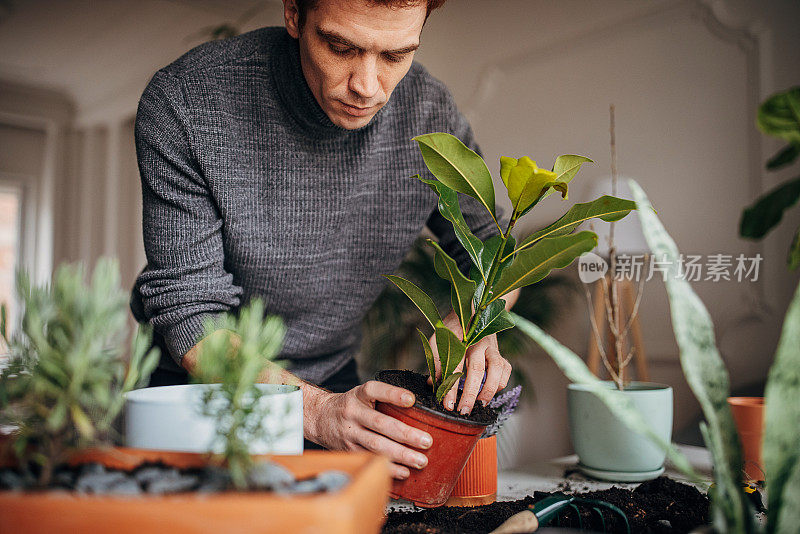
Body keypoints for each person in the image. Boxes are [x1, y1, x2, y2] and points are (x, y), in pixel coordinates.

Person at [130, 0, 519, 480]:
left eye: (395, 56)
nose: (366, 86)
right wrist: (314, 413)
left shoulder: (429, 113)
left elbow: (491, 249)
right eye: (340, 46)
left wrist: (473, 325)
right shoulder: (187, 101)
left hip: (332, 380)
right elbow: (190, 314)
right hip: (197, 389)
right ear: (294, 14)